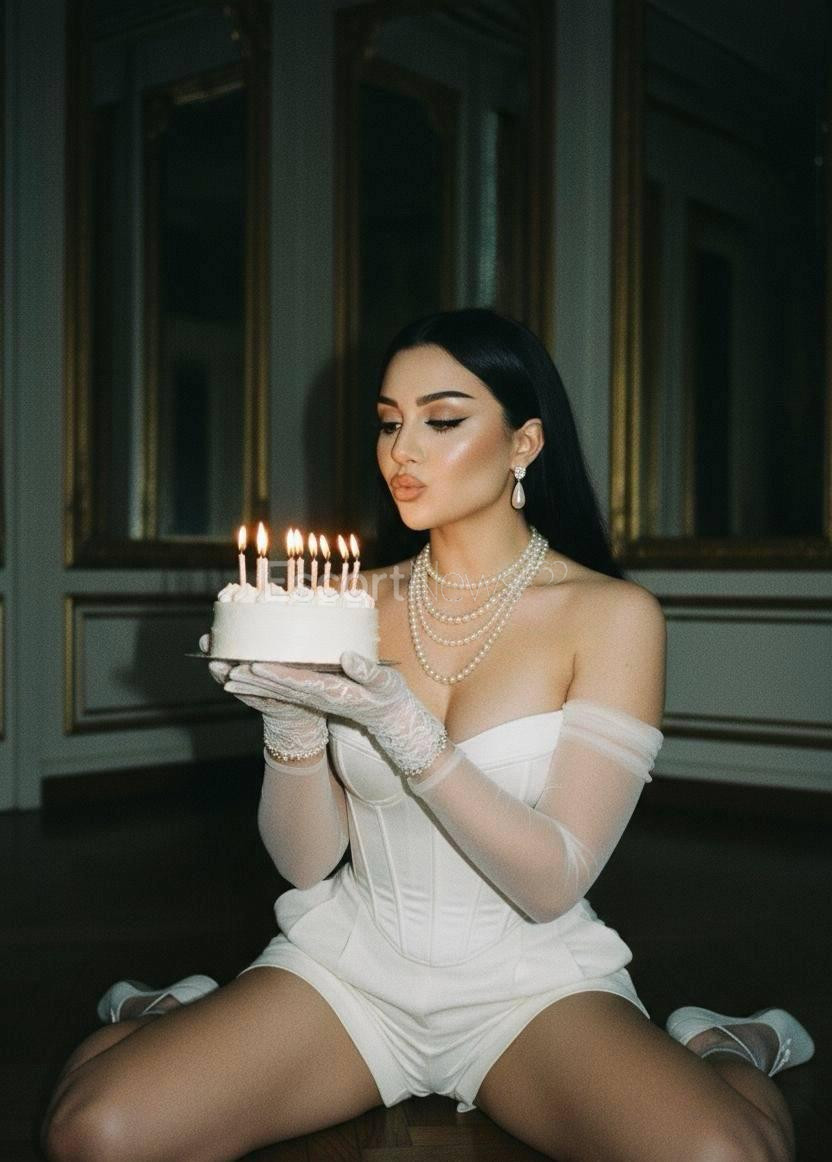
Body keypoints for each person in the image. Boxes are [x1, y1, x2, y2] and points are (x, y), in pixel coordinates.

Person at [42, 308, 812, 1162]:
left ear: (524, 443)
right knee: (93, 1134)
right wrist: (290, 729)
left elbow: (553, 884)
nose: (401, 450)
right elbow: (306, 864)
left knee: (729, 1154)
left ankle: (724, 1043)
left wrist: (408, 732)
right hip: (350, 973)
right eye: (388, 422)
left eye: (441, 421)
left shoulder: (613, 616)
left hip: (530, 989)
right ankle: (175, 1012)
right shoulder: (345, 606)